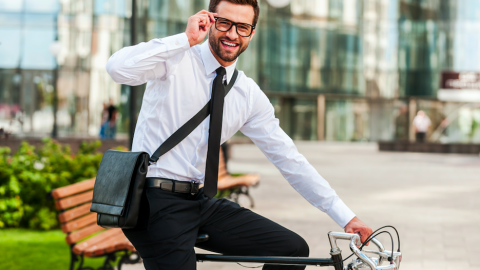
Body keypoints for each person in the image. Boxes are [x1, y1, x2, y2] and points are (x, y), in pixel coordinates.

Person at [106, 1, 372, 269]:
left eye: (242, 27)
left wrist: (346, 217)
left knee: (291, 250)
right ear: (209, 20)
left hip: (199, 202)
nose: (232, 34)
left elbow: (290, 160)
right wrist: (185, 39)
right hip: (155, 202)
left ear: (251, 33)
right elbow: (117, 68)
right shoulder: (176, 60)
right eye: (225, 23)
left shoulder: (247, 94)